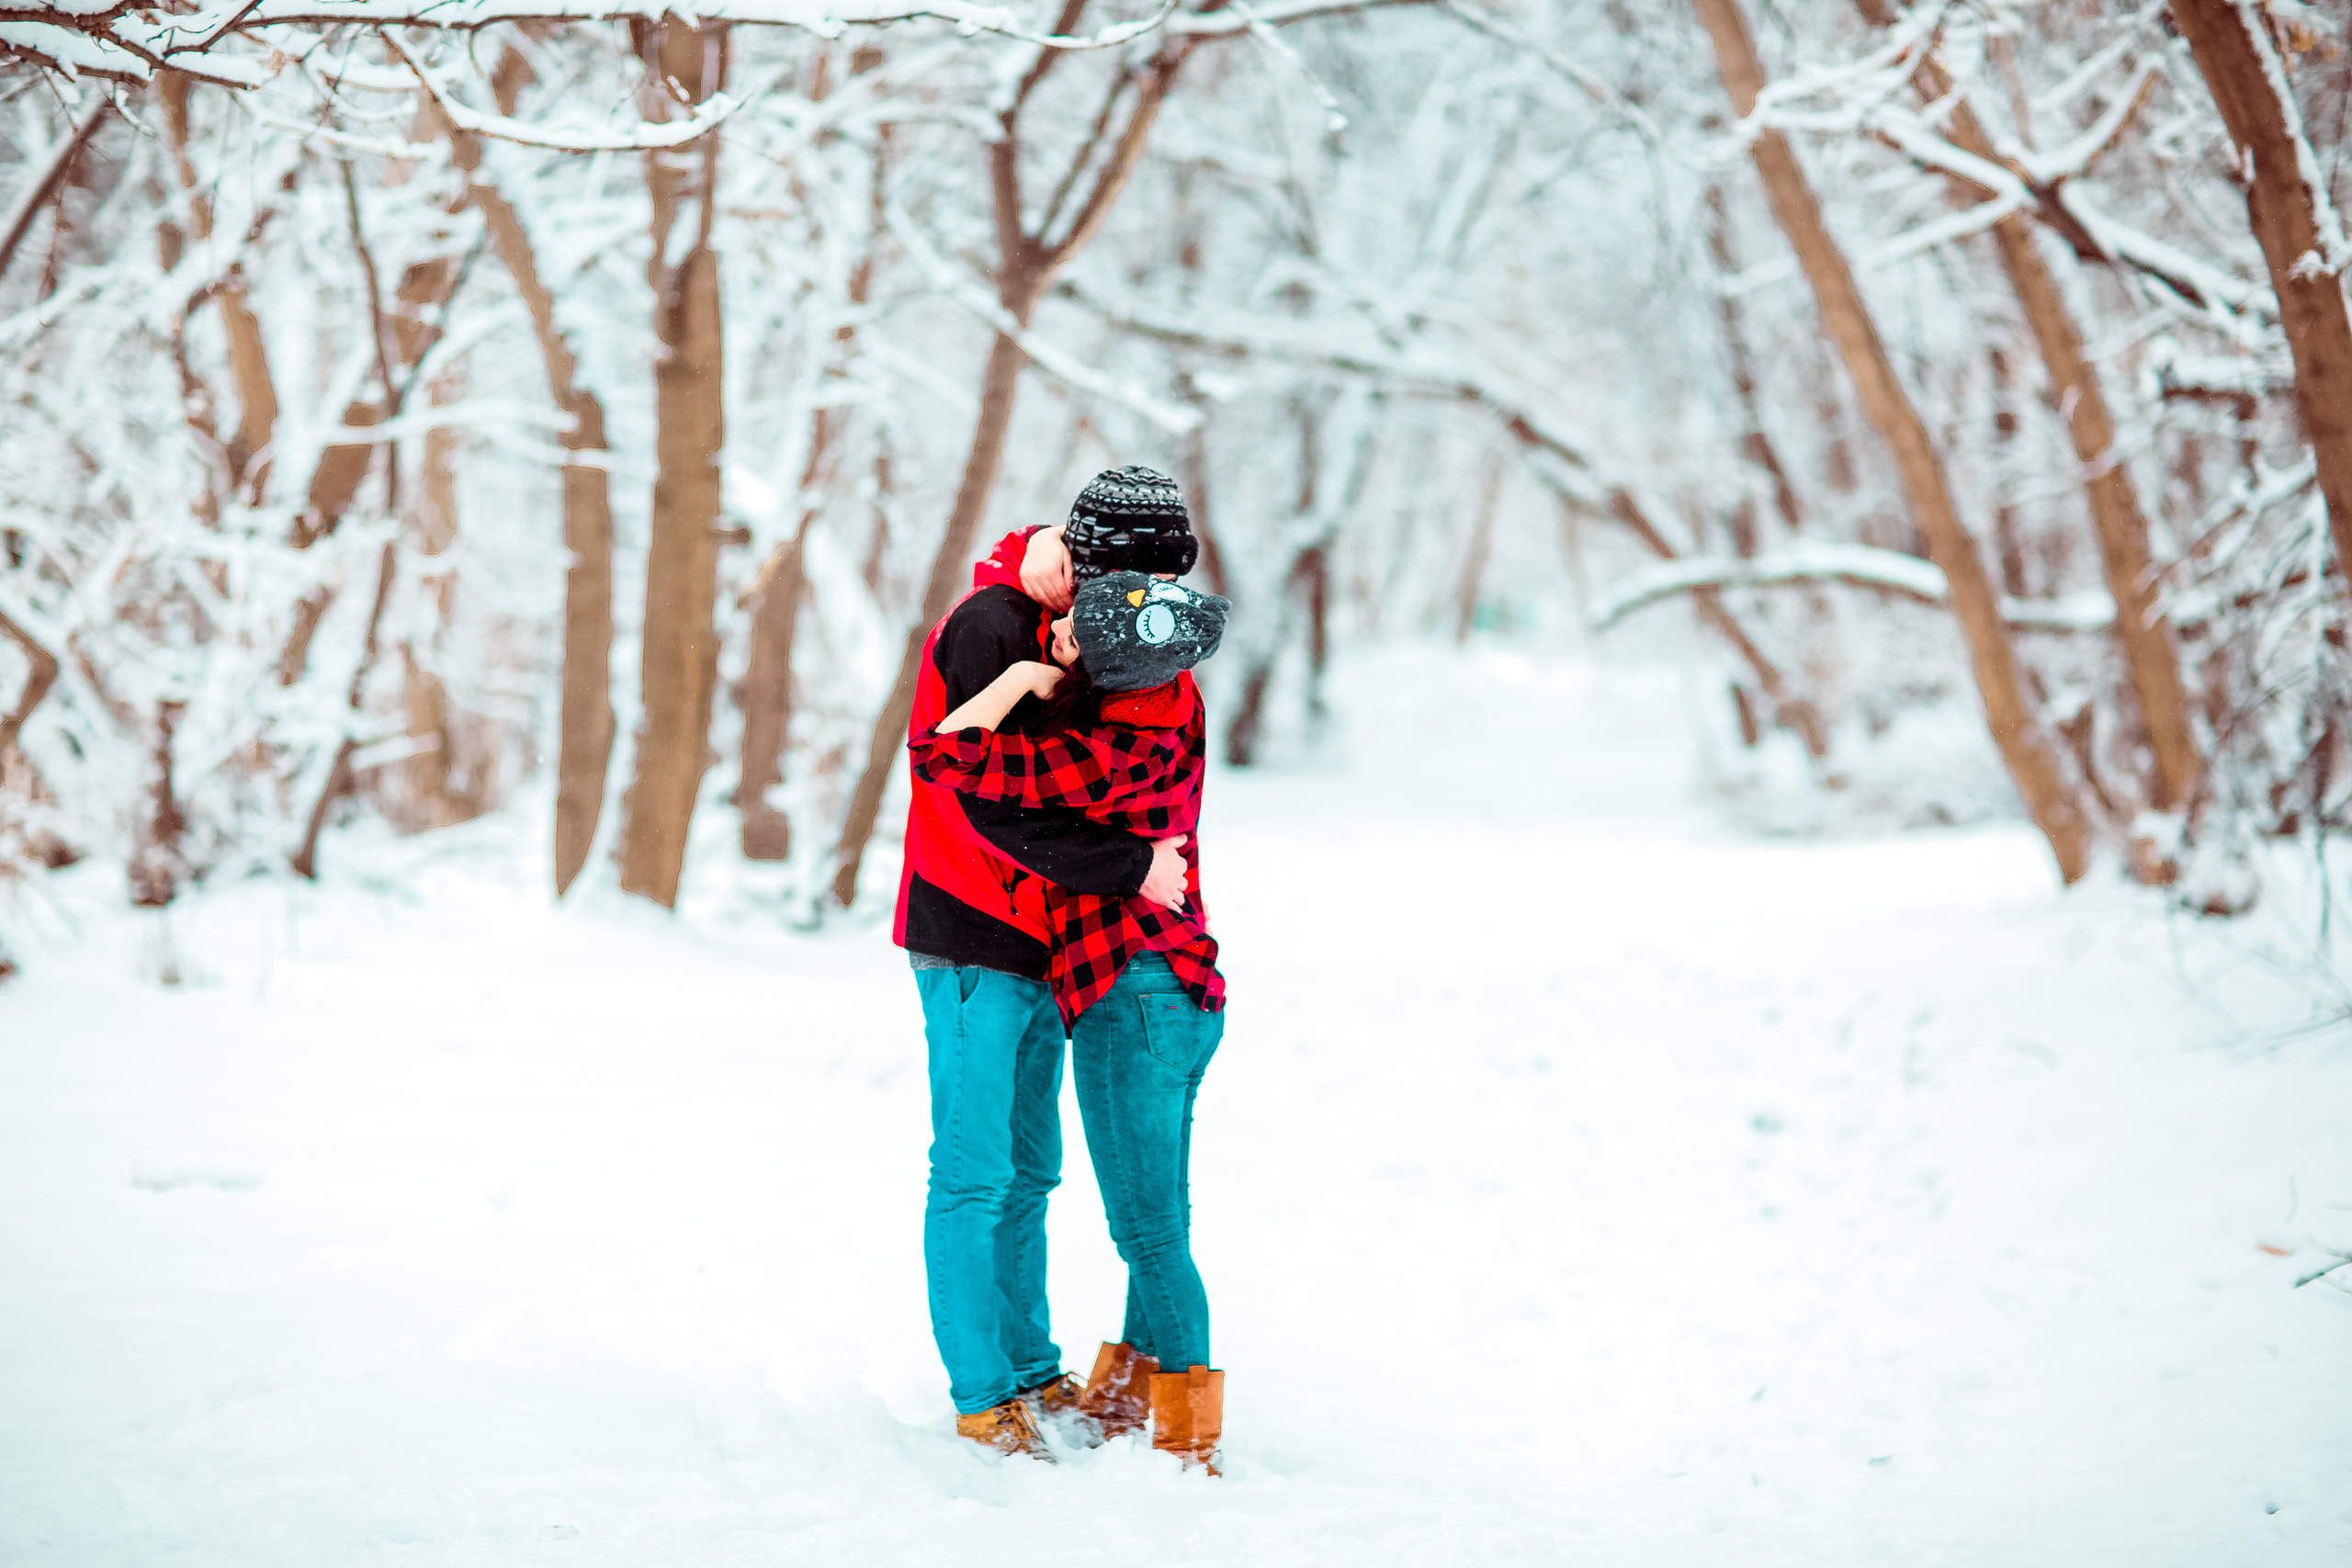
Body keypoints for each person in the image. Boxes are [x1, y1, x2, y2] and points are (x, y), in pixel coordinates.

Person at [893, 467, 1201, 1461]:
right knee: (974, 1174)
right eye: (1133, 582)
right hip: (971, 931)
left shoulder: (1070, 617)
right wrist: (1133, 868)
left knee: (1031, 1172)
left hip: (1045, 941)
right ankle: (983, 1394)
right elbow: (978, 794)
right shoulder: (988, 623)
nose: (1140, 603)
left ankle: (1029, 1368)